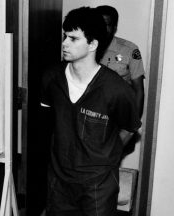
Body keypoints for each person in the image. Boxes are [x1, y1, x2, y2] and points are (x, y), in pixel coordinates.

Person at [40, 7, 141, 216]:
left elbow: (130, 129)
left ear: (93, 44)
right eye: (64, 36)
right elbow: (48, 123)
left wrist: (106, 157)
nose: (64, 43)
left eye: (73, 39)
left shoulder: (117, 90)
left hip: (98, 185)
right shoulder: (51, 78)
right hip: (60, 183)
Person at [97, 5, 145, 118]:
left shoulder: (129, 49)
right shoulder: (84, 48)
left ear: (114, 28)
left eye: (106, 25)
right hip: (92, 114)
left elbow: (138, 90)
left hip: (120, 113)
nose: (101, 29)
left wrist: (133, 125)